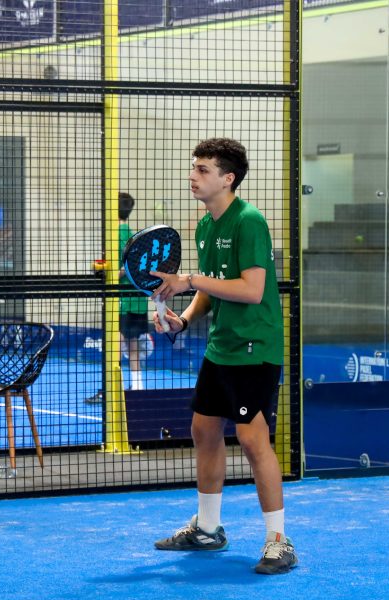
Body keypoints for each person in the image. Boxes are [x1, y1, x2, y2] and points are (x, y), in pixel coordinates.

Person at [149, 137, 295, 575]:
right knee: (204, 430)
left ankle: (278, 540)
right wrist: (184, 319)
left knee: (252, 440)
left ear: (228, 178)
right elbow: (213, 287)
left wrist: (189, 280)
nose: (192, 176)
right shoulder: (205, 226)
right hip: (221, 348)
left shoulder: (249, 222)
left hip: (255, 348)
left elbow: (251, 290)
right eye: (193, 167)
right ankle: (209, 529)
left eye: (203, 170)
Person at [86, 192, 147, 404]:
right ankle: (137, 386)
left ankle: (111, 390)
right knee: (131, 343)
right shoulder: (131, 233)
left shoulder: (116, 234)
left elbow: (123, 268)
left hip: (123, 299)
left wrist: (106, 273)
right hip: (136, 298)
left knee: (115, 343)